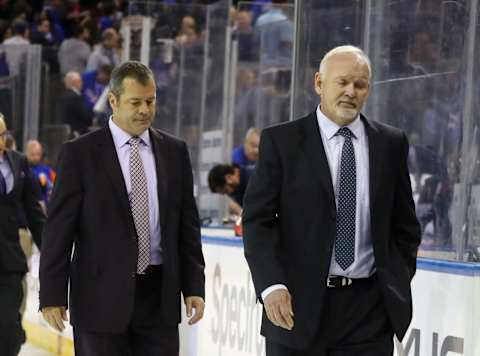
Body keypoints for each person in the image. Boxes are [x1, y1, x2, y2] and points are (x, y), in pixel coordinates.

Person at [242, 45, 421, 355]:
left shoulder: (391, 143)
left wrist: (394, 280)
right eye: (342, 82)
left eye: (360, 84)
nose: (351, 91)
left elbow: (405, 226)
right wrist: (272, 286)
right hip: (295, 308)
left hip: (368, 313)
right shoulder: (281, 141)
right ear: (319, 83)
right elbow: (257, 222)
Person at [39, 61, 205, 355]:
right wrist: (52, 293)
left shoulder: (174, 151)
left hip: (159, 298)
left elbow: (186, 226)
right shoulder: (80, 153)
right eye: (135, 102)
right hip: (99, 298)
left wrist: (194, 286)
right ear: (113, 101)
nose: (145, 110)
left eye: (150, 101)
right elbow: (58, 229)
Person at [0, 113, 45, 356]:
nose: (0, 140)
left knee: (8, 328)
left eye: (3, 134)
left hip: (9, 260)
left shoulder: (18, 163)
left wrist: (50, 250)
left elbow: (34, 212)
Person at [56, 71, 94, 137]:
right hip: (77, 135)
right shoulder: (76, 97)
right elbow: (86, 117)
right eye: (80, 81)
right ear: (75, 82)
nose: (82, 83)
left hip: (64, 135)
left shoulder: (61, 97)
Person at [25, 140, 56, 206]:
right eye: (33, 154)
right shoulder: (24, 169)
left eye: (38, 154)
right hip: (29, 204)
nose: (36, 157)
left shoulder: (47, 170)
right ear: (27, 154)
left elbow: (56, 184)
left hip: (44, 205)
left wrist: (47, 184)